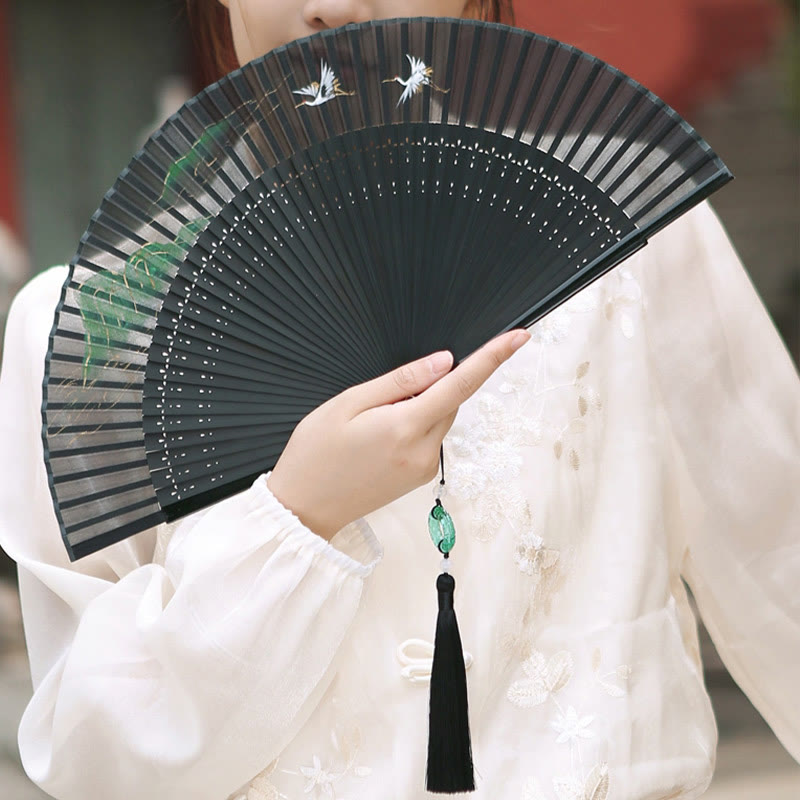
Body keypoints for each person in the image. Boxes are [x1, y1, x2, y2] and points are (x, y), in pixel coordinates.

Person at [1, 2, 799, 799]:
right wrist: (295, 516)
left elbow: (782, 567)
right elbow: (96, 764)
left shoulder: (624, 240)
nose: (337, 6)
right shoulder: (92, 338)